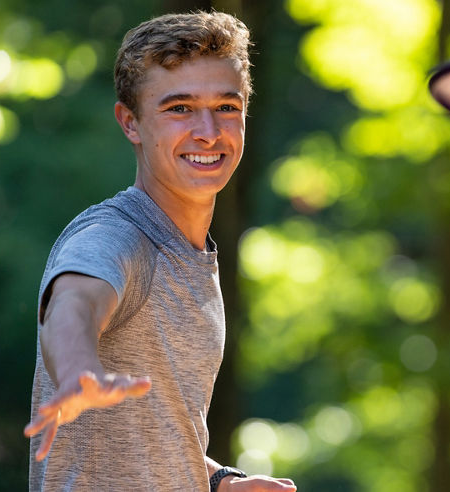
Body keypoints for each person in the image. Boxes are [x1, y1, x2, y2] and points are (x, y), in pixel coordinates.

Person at [22, 11, 296, 492]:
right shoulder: (117, 236)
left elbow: (157, 434)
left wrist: (218, 482)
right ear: (131, 123)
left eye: (227, 107)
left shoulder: (190, 256)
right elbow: (74, 302)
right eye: (180, 109)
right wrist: (78, 370)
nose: (209, 131)